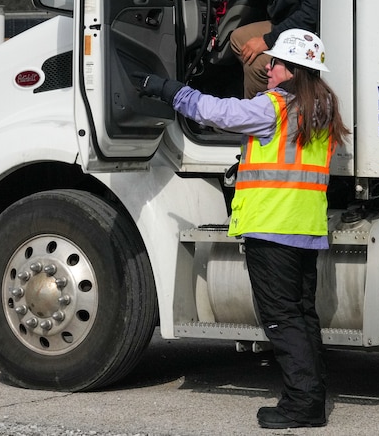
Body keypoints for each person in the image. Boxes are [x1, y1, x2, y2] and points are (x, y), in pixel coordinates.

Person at [133, 29, 348, 430]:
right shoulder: (321, 111)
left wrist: (169, 89)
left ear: (295, 71)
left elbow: (218, 112)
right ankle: (309, 396)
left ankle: (303, 404)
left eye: (278, 63)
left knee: (281, 319)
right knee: (301, 315)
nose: (269, 67)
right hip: (304, 228)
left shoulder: (276, 108)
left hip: (271, 228)